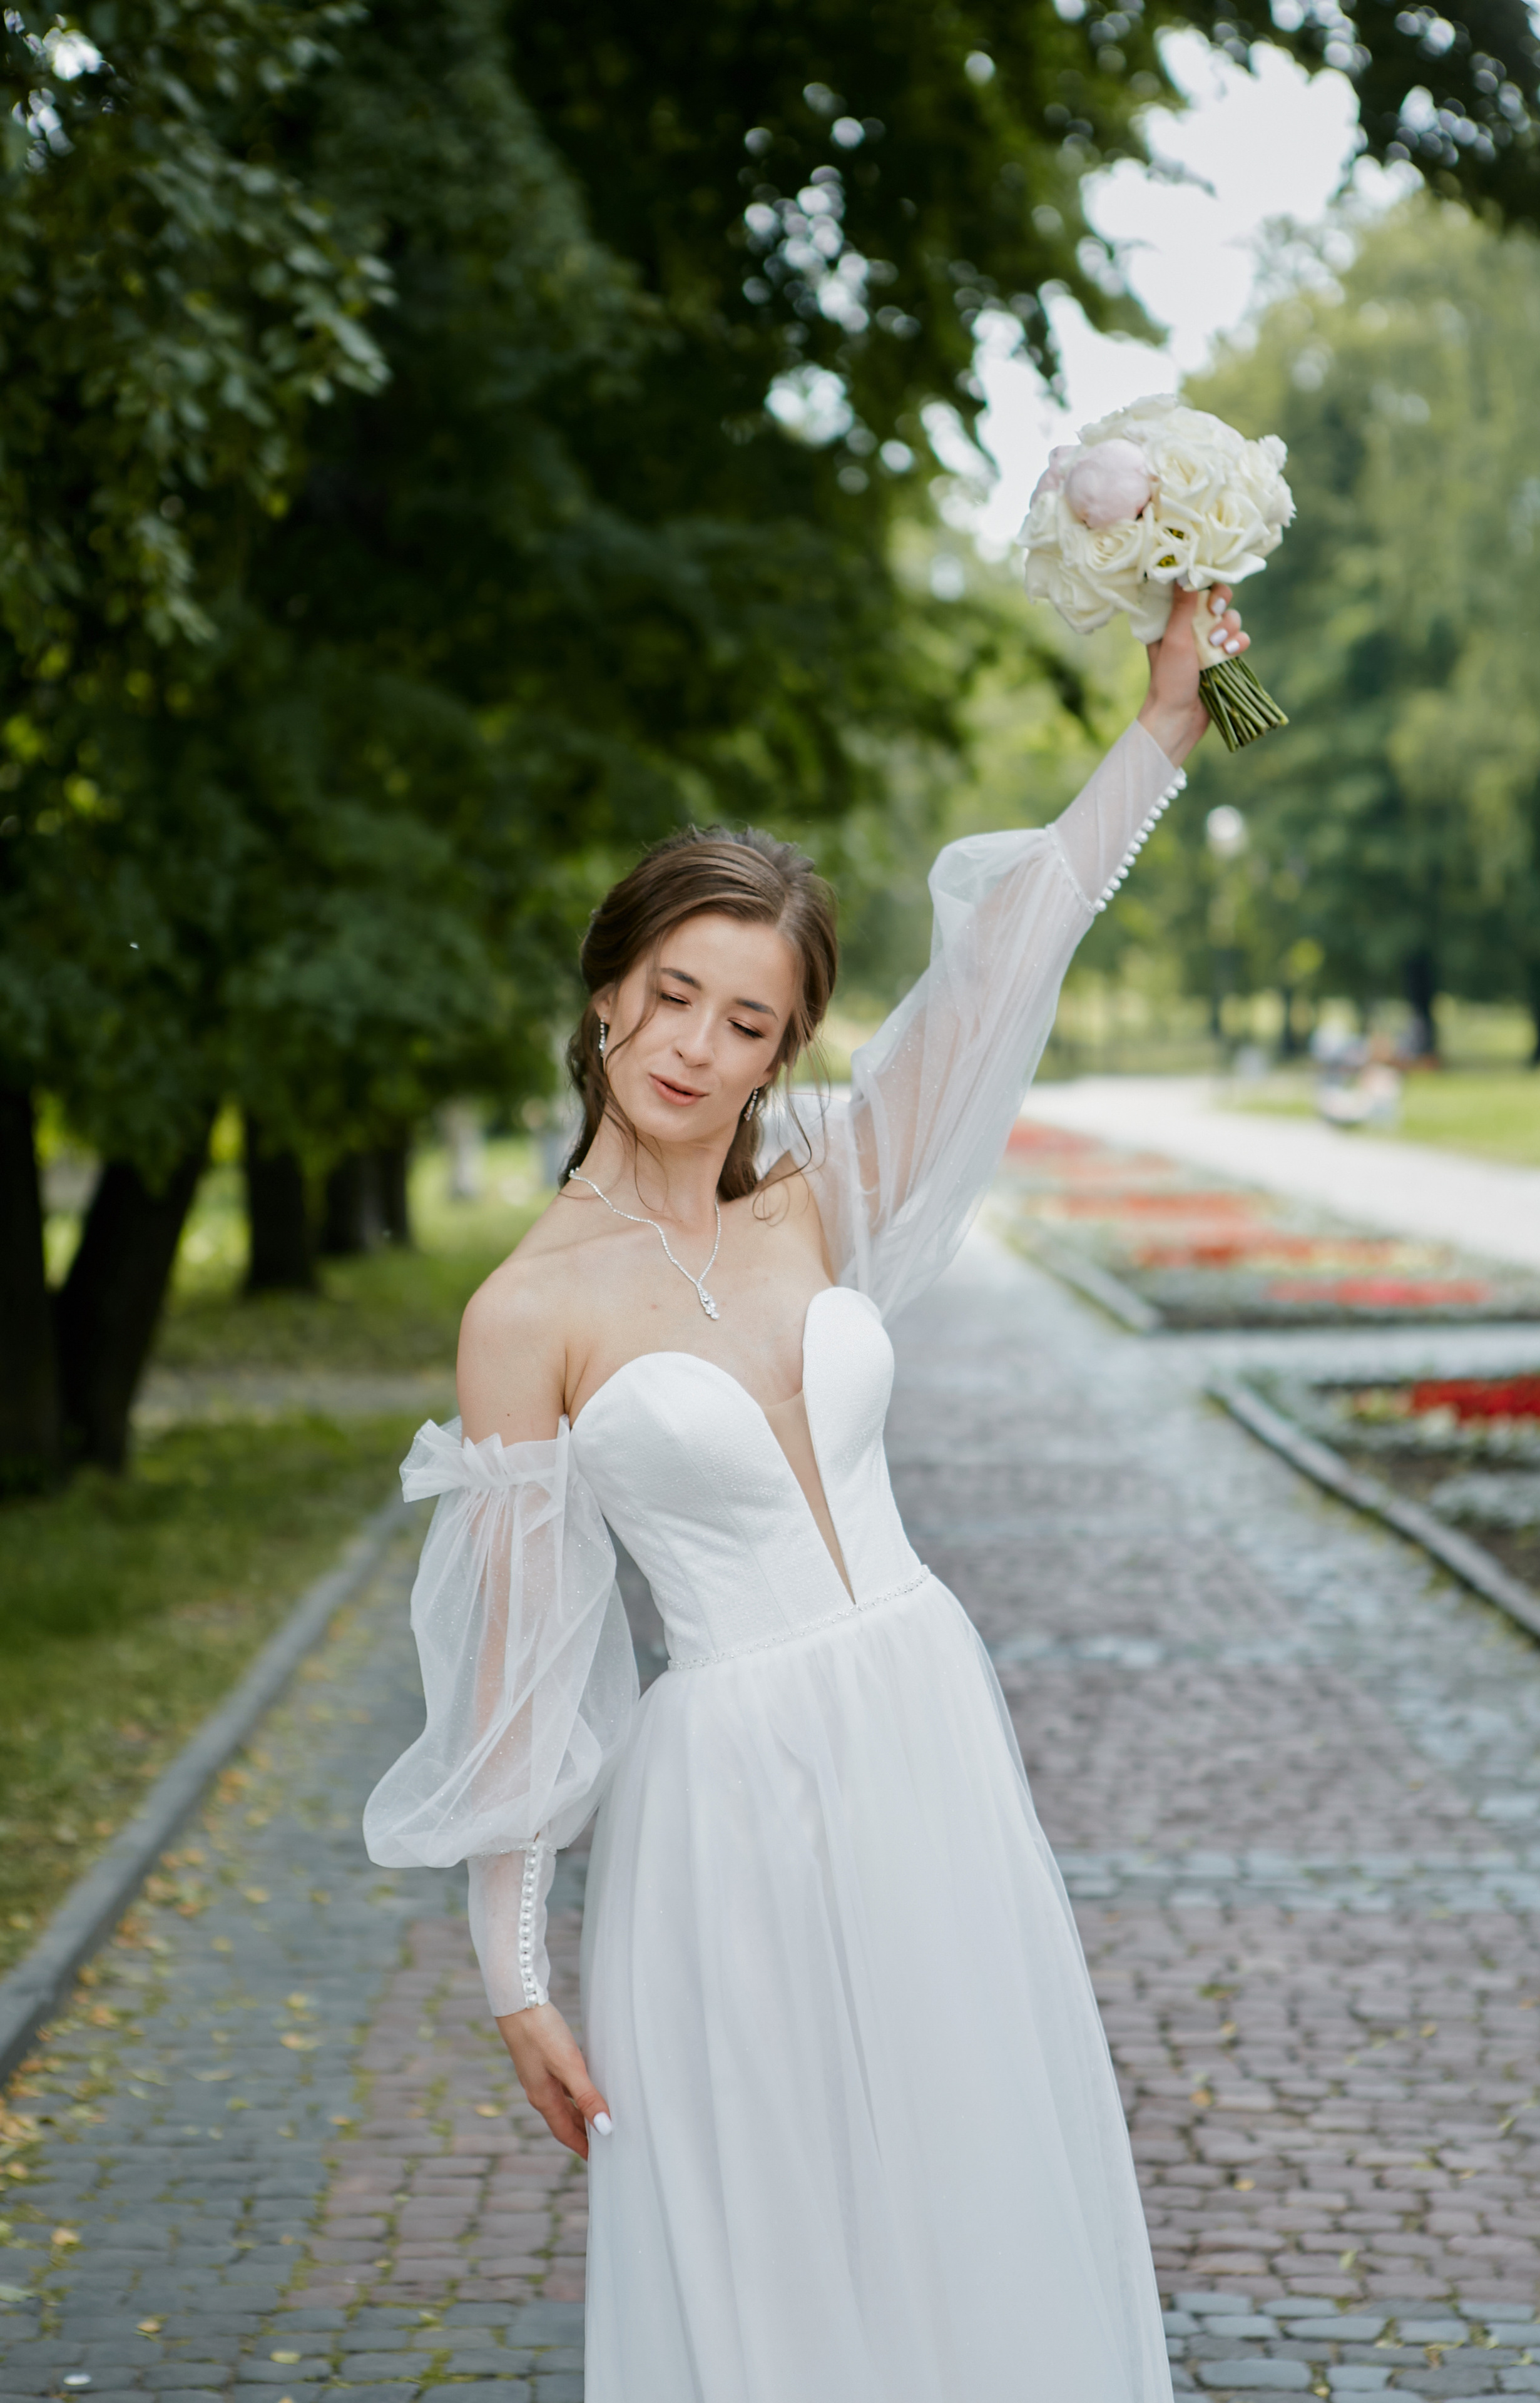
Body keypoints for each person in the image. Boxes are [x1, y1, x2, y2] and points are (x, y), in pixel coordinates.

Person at [364, 587, 1250, 2400]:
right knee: (774, 2228)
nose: (693, 1044)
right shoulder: (520, 1314)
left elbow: (1007, 960)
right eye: (671, 992)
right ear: (610, 989)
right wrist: (516, 1971)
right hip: (726, 1813)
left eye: (746, 1019)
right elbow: (520, 1671)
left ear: (784, 1050)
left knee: (966, 2178)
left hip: (922, 1728)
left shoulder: (827, 1194)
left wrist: (1162, 726)